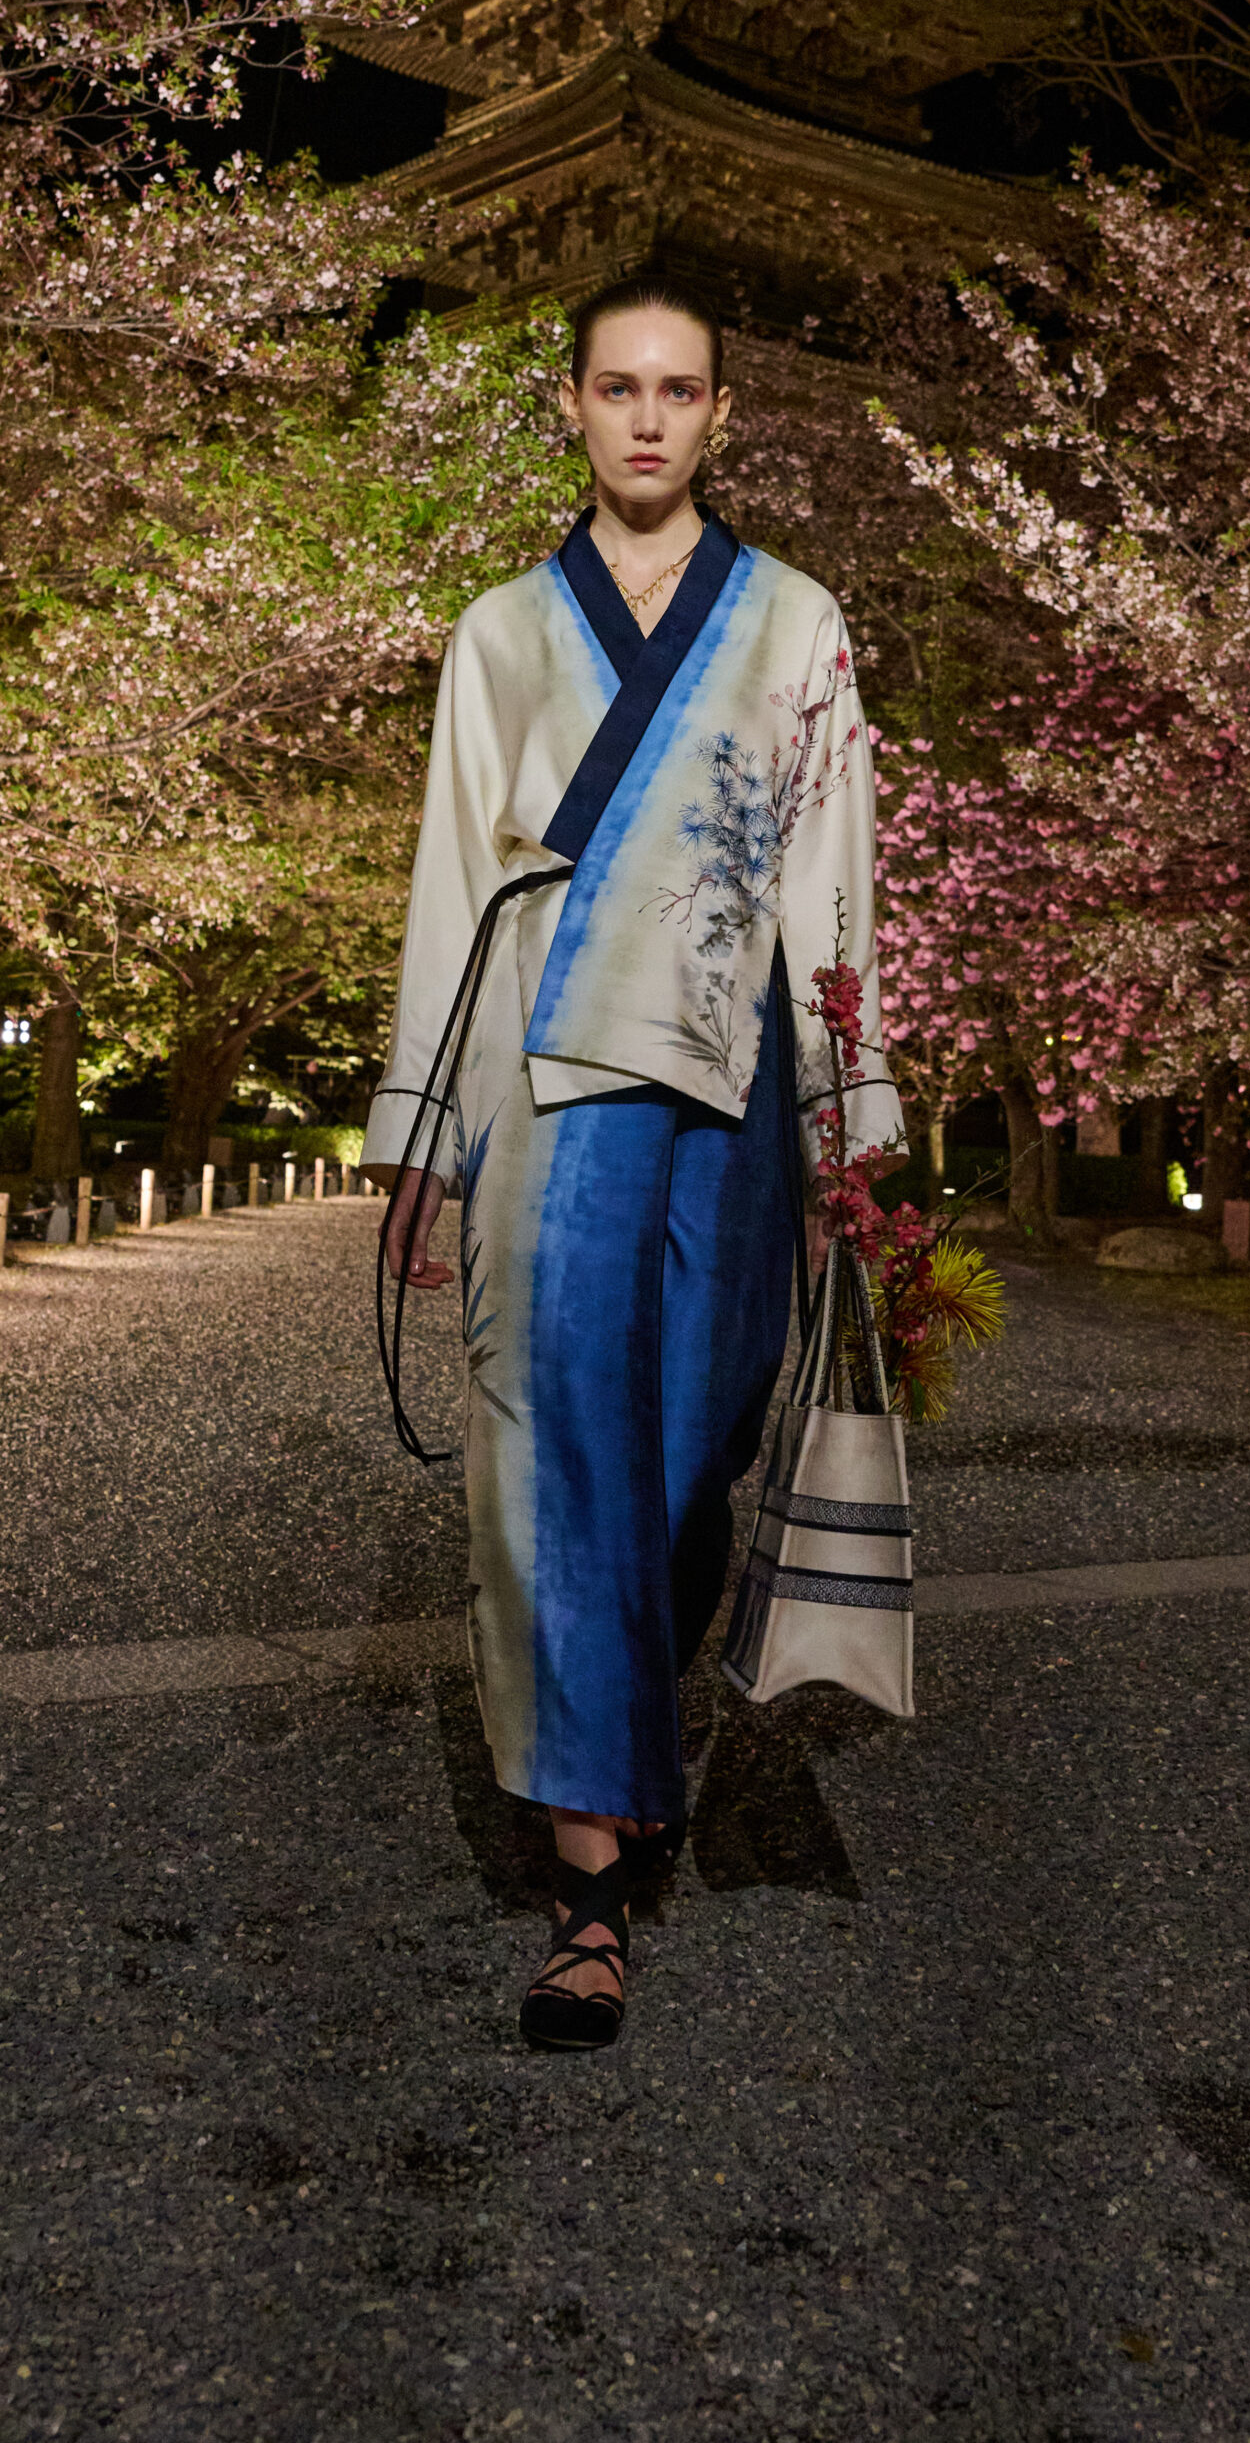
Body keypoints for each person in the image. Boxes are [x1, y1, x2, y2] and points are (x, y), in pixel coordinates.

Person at [362, 276, 902, 2049]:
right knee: (555, 1450)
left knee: (694, 1444)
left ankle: (621, 1711)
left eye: (679, 391)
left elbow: (832, 882)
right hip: (541, 1082)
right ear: (572, 407)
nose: (649, 418)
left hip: (733, 1084)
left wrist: (849, 1124)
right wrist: (418, 1137)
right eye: (618, 387)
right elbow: (453, 879)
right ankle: (587, 1884)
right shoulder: (502, 629)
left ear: (720, 415)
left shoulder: (796, 619)